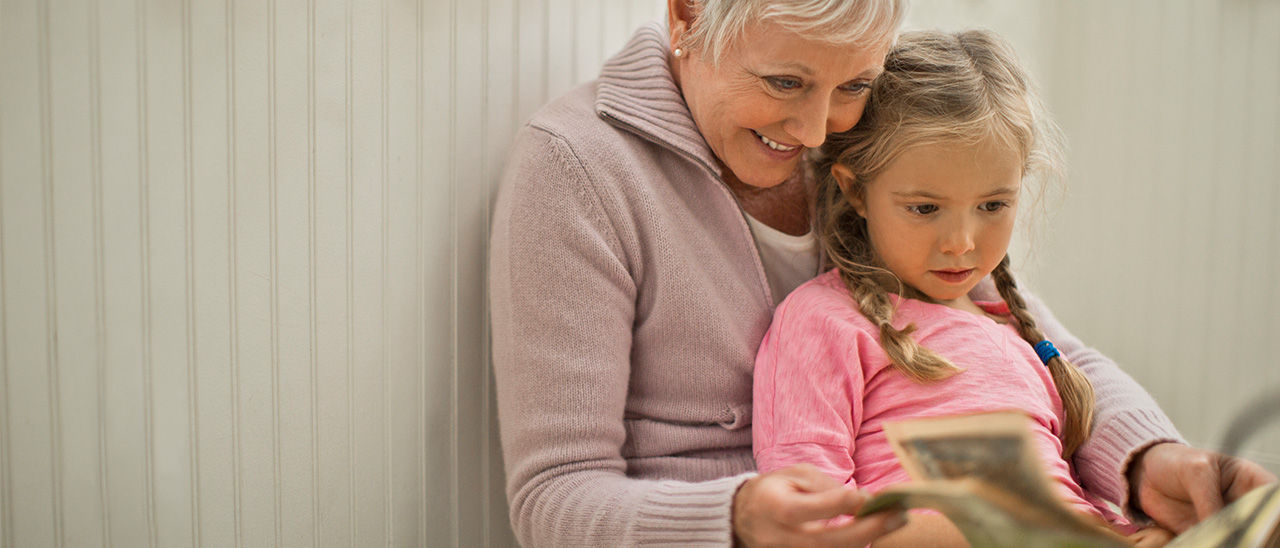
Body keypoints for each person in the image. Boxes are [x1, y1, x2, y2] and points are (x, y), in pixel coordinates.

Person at [488, 1, 1277, 546]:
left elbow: (1040, 350)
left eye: (853, 85)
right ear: (687, 13)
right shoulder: (578, 168)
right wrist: (738, 518)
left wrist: (1150, 461)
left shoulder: (862, 142)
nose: (815, 131)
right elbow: (554, 498)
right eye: (784, 83)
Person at [752, 28, 1187, 546]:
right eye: (925, 208)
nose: (961, 244)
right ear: (856, 190)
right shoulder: (822, 320)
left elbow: (1069, 499)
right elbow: (807, 518)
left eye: (993, 206)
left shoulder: (1013, 327)